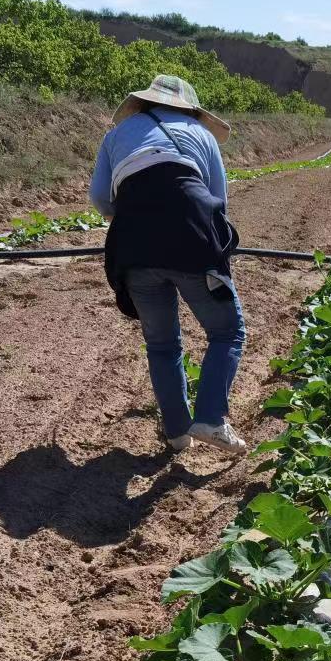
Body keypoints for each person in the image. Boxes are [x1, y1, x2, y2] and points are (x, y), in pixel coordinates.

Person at [90, 74, 247, 455]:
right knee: (227, 331)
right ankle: (210, 417)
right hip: (191, 237)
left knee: (161, 344)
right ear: (188, 108)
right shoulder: (201, 135)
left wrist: (143, 219)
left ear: (145, 103)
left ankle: (178, 433)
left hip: (131, 244)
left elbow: (100, 200)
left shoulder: (117, 135)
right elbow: (217, 201)